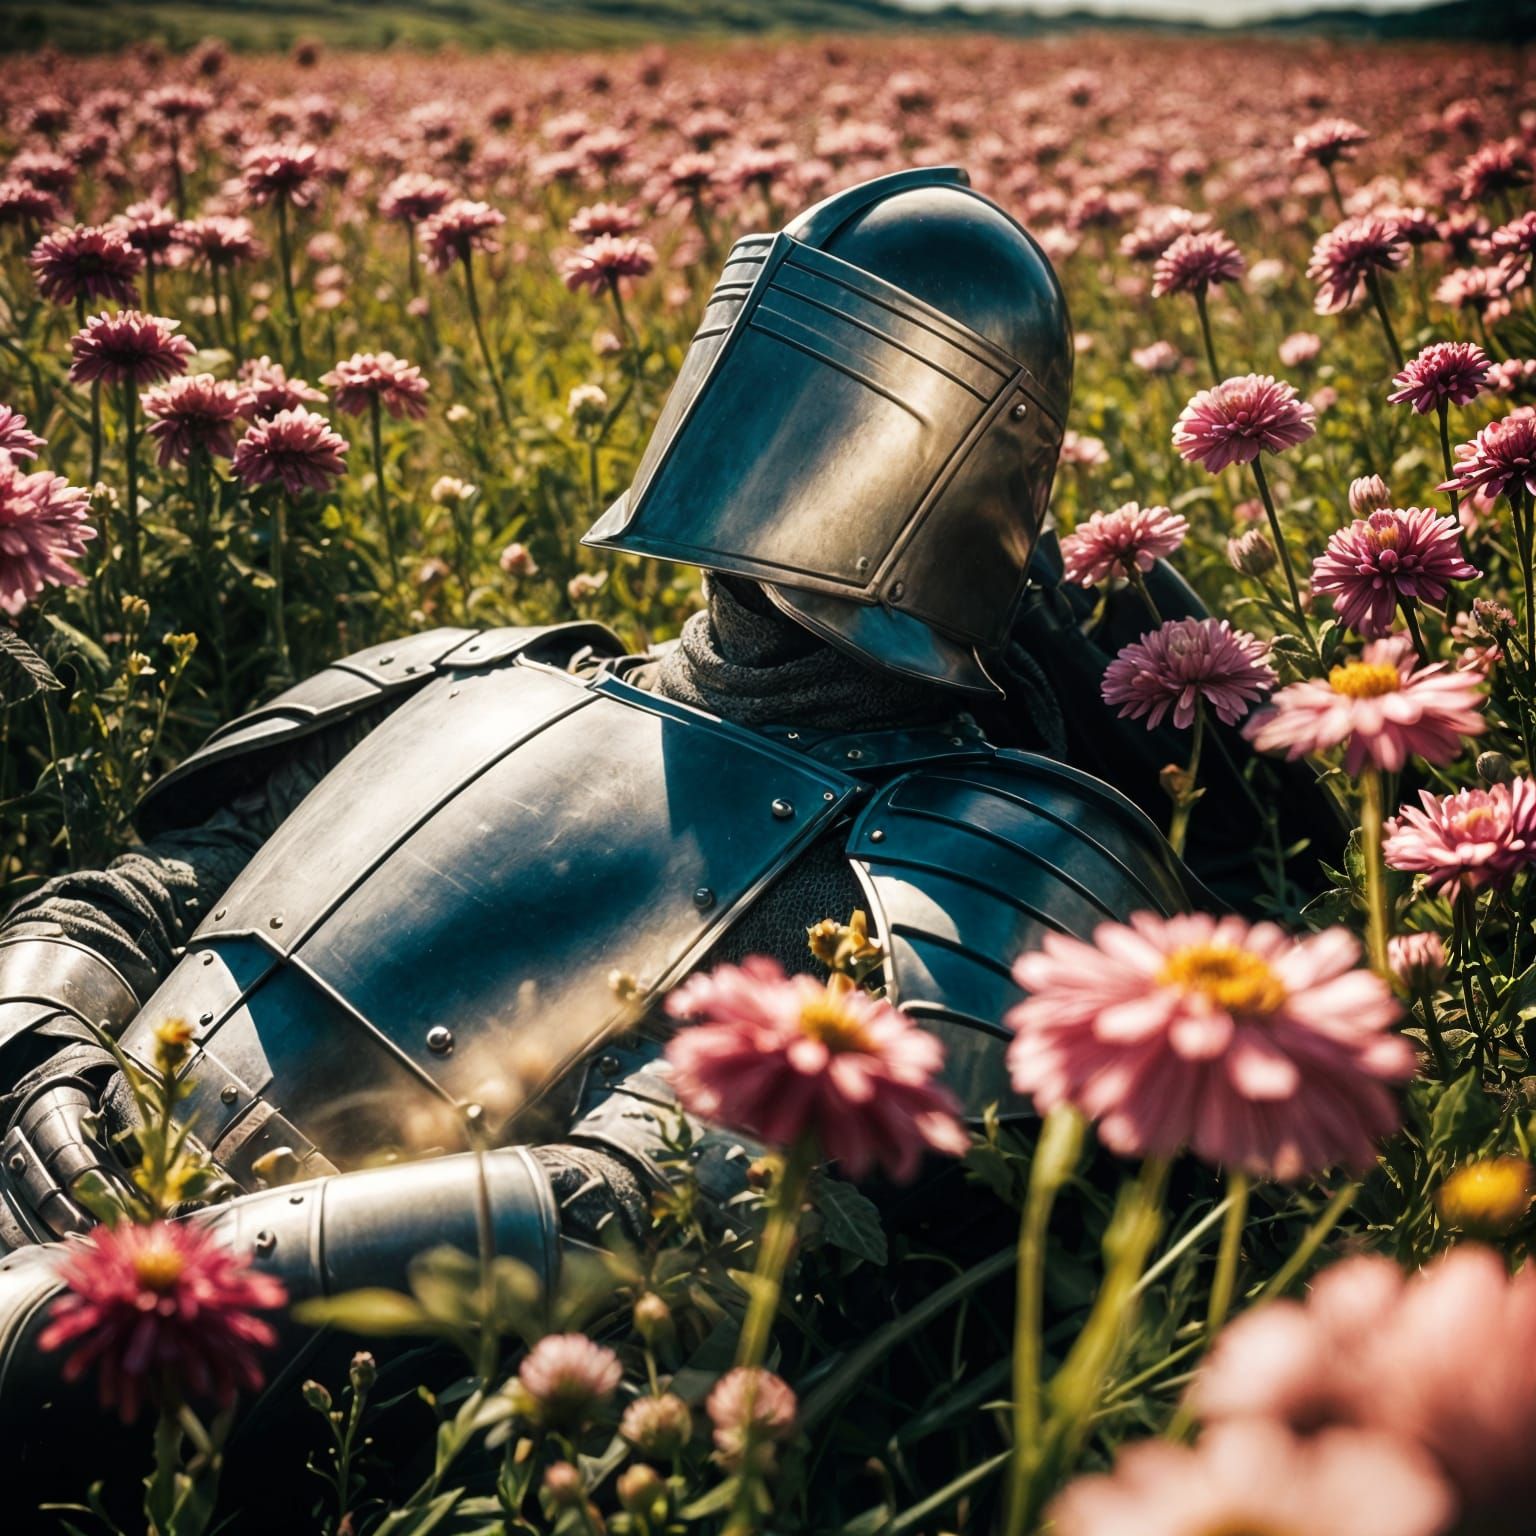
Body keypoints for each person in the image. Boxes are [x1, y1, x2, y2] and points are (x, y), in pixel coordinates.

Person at [0, 168, 1310, 1515]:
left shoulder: (962, 849)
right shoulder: (471, 672)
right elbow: (129, 899)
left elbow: (631, 1210)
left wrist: (141, 1279)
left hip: (215, 1366)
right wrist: (39, 1052)